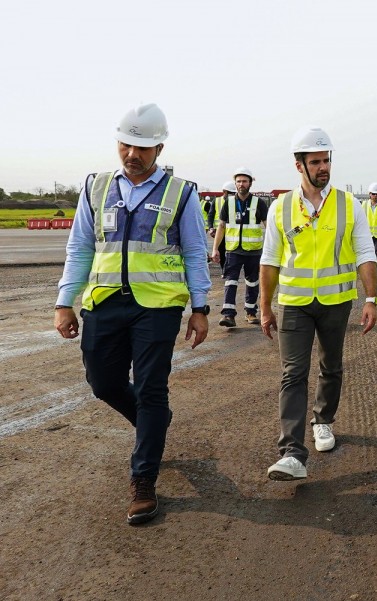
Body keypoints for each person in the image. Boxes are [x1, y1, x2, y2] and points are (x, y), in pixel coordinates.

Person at [53, 103, 211, 525]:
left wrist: (200, 307)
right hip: (104, 303)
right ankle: (151, 425)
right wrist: (64, 301)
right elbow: (80, 248)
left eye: (142, 147)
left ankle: (143, 480)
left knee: (152, 388)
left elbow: (195, 251)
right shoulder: (96, 187)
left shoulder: (182, 193)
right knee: (102, 383)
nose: (132, 154)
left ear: (159, 147)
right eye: (126, 144)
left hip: (157, 306)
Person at [260, 127, 377, 481]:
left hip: (336, 301)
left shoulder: (348, 204)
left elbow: (365, 253)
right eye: (316, 162)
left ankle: (323, 420)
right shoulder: (280, 208)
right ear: (300, 166)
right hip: (294, 303)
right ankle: (292, 453)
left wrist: (371, 298)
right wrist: (265, 306)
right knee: (292, 373)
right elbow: (270, 259)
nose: (323, 167)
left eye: (327, 160)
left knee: (332, 366)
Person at [212, 167, 267, 327]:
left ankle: (251, 313)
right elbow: (221, 226)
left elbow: (268, 226)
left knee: (253, 282)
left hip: (254, 251)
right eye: (238, 181)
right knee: (230, 281)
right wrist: (215, 249)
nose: (241, 184)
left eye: (244, 181)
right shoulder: (228, 203)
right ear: (235, 184)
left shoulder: (259, 203)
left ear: (250, 183)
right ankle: (228, 315)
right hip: (233, 250)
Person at [207, 181, 236, 275]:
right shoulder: (216, 201)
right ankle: (224, 270)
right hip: (219, 232)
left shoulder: (236, 201)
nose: (232, 195)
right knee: (221, 251)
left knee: (231, 252)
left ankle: (230, 270)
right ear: (224, 191)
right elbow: (210, 215)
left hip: (232, 231)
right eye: (230, 193)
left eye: (233, 193)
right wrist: (211, 228)